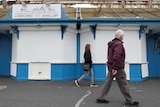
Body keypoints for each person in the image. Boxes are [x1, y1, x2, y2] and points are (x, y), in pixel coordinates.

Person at [96, 30, 139, 106]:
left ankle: (101, 97)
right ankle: (129, 101)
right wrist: (115, 68)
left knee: (107, 82)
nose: (123, 36)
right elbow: (117, 56)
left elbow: (111, 56)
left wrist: (112, 67)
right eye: (123, 35)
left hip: (110, 65)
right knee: (123, 84)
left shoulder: (111, 44)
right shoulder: (119, 44)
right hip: (117, 68)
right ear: (120, 36)